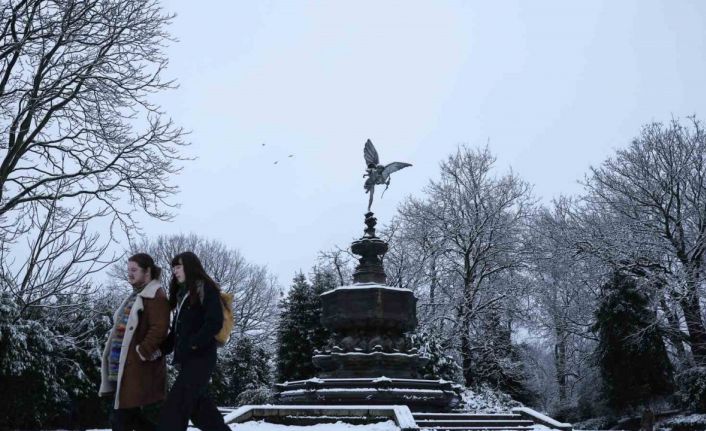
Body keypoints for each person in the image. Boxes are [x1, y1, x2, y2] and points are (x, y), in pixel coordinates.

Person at [157, 251, 230, 431]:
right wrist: (160, 349)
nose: (174, 270)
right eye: (173, 267)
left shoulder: (205, 288)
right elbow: (176, 332)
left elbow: (214, 321)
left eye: (178, 266)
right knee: (200, 410)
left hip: (201, 357)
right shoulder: (184, 295)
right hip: (188, 359)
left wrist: (194, 343)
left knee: (175, 407)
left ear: (190, 266)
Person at [99, 253, 170, 431]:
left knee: (121, 420)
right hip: (122, 369)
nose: (129, 274)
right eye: (128, 270)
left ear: (147, 272)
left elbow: (160, 328)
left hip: (136, 370)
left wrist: (142, 352)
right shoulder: (136, 294)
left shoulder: (156, 295)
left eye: (134, 270)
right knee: (131, 419)